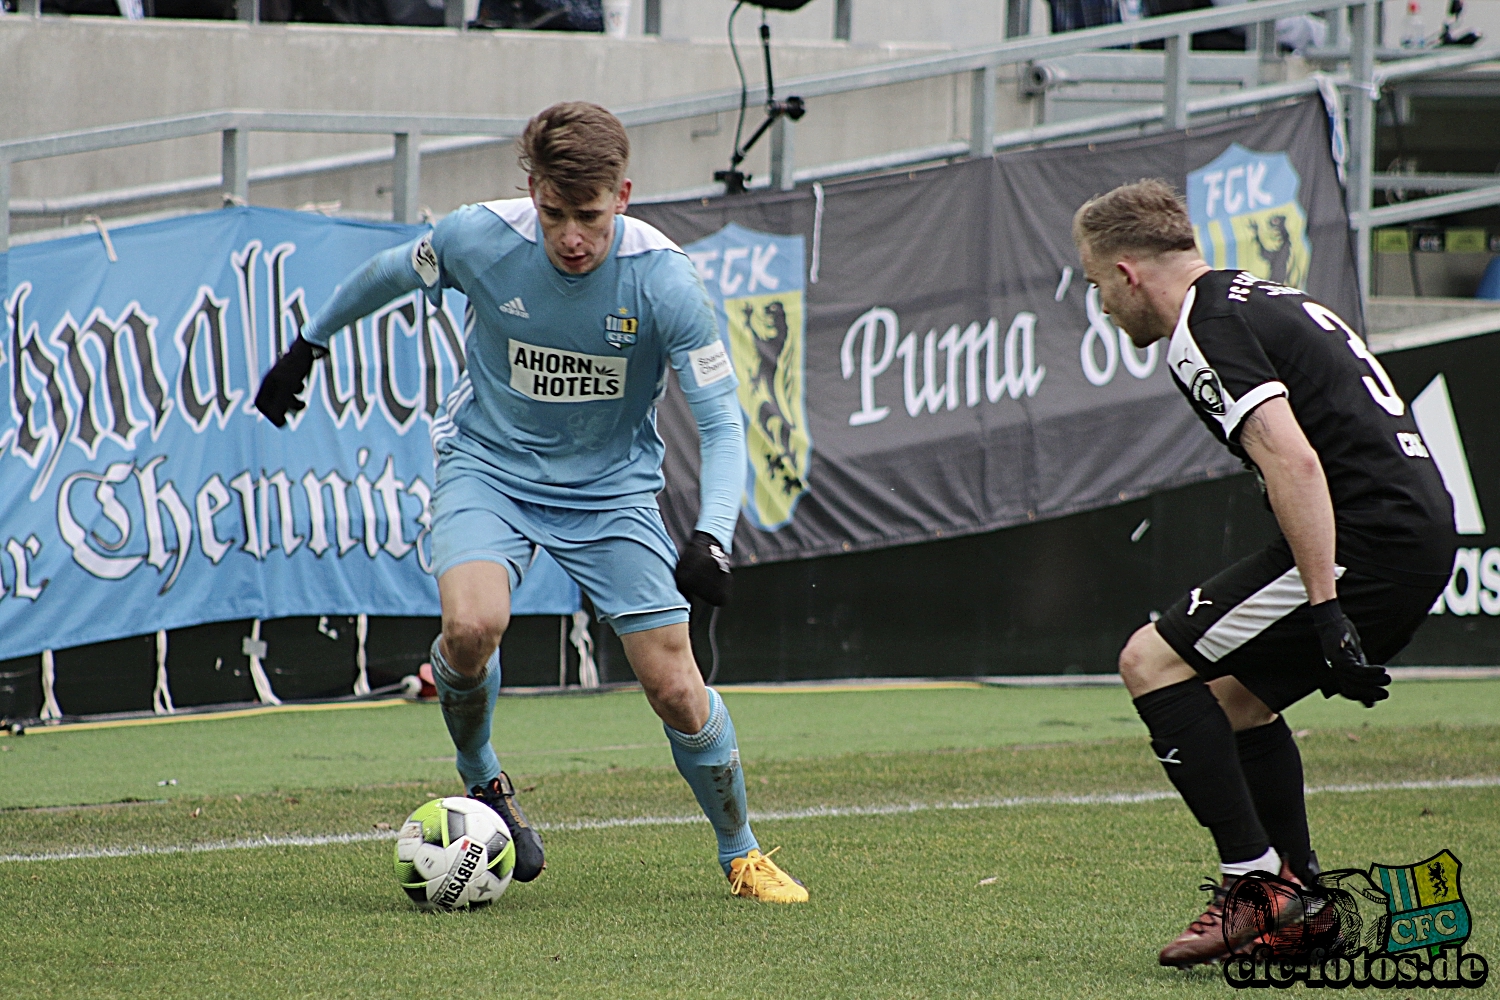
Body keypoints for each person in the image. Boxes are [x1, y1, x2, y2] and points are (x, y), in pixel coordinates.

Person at [255, 101, 807, 904]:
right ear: (532, 189)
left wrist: (711, 535)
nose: (572, 237)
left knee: (676, 689)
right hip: (490, 468)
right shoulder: (481, 237)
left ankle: (741, 853)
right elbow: (388, 272)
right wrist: (309, 343)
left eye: (589, 216)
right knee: (472, 627)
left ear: (623, 194)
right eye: (555, 213)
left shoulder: (665, 280)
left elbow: (723, 425)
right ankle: (483, 779)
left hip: (612, 491)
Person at [1072, 179, 1456, 967]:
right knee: (1233, 703)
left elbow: (1295, 460)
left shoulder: (1204, 328)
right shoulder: (1255, 297)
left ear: (1128, 271)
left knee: (1148, 659)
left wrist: (1325, 607)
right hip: (1409, 526)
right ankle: (1304, 908)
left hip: (1368, 538)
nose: (1101, 306)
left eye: (1095, 284)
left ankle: (1255, 887)